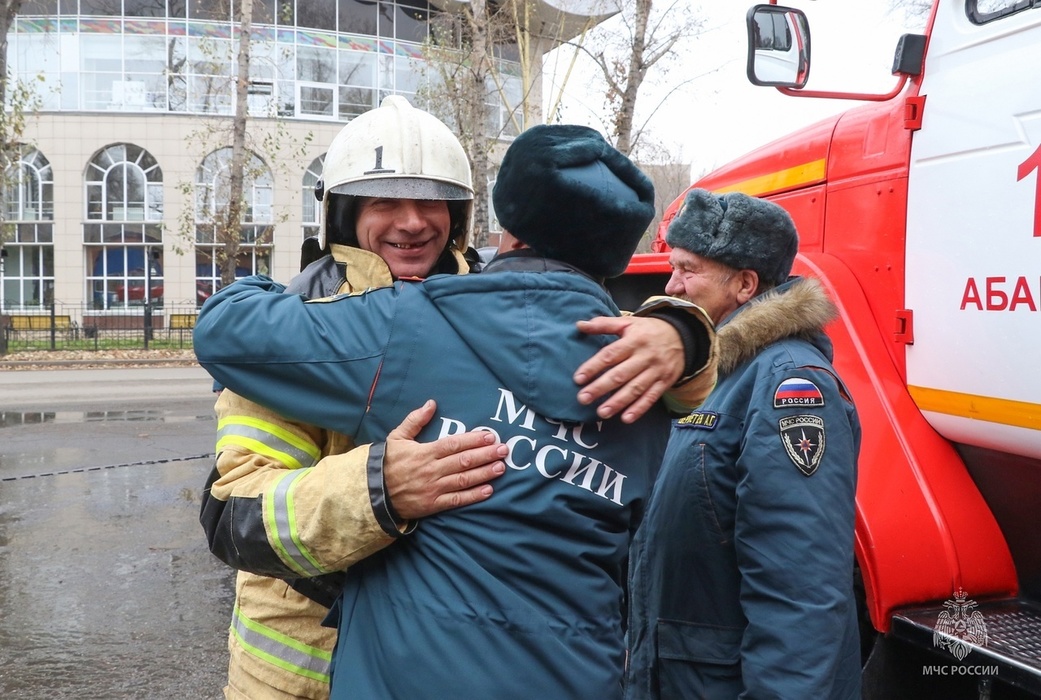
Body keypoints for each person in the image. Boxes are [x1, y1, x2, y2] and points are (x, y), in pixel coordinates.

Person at [202, 102, 713, 699]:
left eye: (433, 203)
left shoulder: (495, 308)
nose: (413, 222)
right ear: (344, 213)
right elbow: (232, 520)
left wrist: (683, 333)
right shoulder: (291, 334)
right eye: (384, 201)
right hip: (298, 675)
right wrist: (376, 489)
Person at [622, 188, 862, 699]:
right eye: (673, 267)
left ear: (744, 284)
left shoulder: (789, 385)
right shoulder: (714, 372)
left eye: (688, 270)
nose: (671, 285)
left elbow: (800, 588)